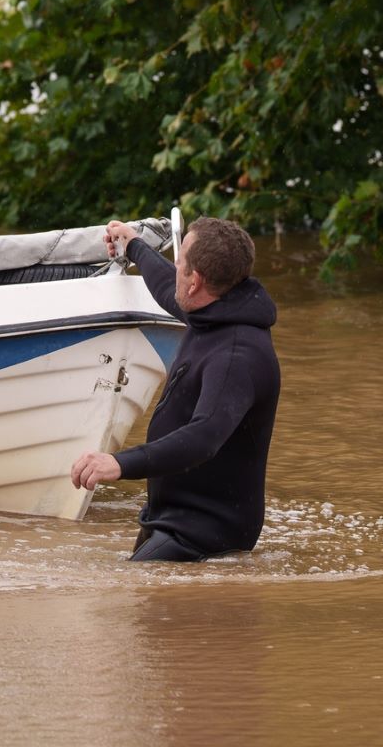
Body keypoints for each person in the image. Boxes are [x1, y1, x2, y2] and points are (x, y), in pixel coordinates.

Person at [70, 216, 281, 562]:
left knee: (129, 592)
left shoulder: (236, 356)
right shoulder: (215, 309)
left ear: (196, 281)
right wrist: (133, 244)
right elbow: (169, 287)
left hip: (206, 530)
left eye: (181, 261)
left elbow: (203, 437)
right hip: (173, 515)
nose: (175, 266)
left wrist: (118, 464)